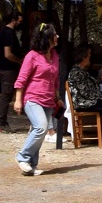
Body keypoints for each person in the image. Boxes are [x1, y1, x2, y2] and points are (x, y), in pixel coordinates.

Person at [12, 23, 61, 176]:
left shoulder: (55, 56)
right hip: (32, 99)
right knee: (41, 127)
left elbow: (56, 80)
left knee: (38, 130)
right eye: (54, 34)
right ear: (47, 38)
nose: (57, 36)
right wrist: (18, 100)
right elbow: (21, 79)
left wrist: (57, 97)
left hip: (48, 100)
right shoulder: (32, 56)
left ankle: (31, 166)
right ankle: (22, 157)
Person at [0, 11, 25, 131]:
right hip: (7, 68)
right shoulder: (8, 33)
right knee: (6, 95)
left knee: (5, 95)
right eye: (19, 21)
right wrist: (19, 61)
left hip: (3, 67)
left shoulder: (5, 31)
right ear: (13, 20)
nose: (20, 23)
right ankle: (1, 123)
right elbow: (8, 54)